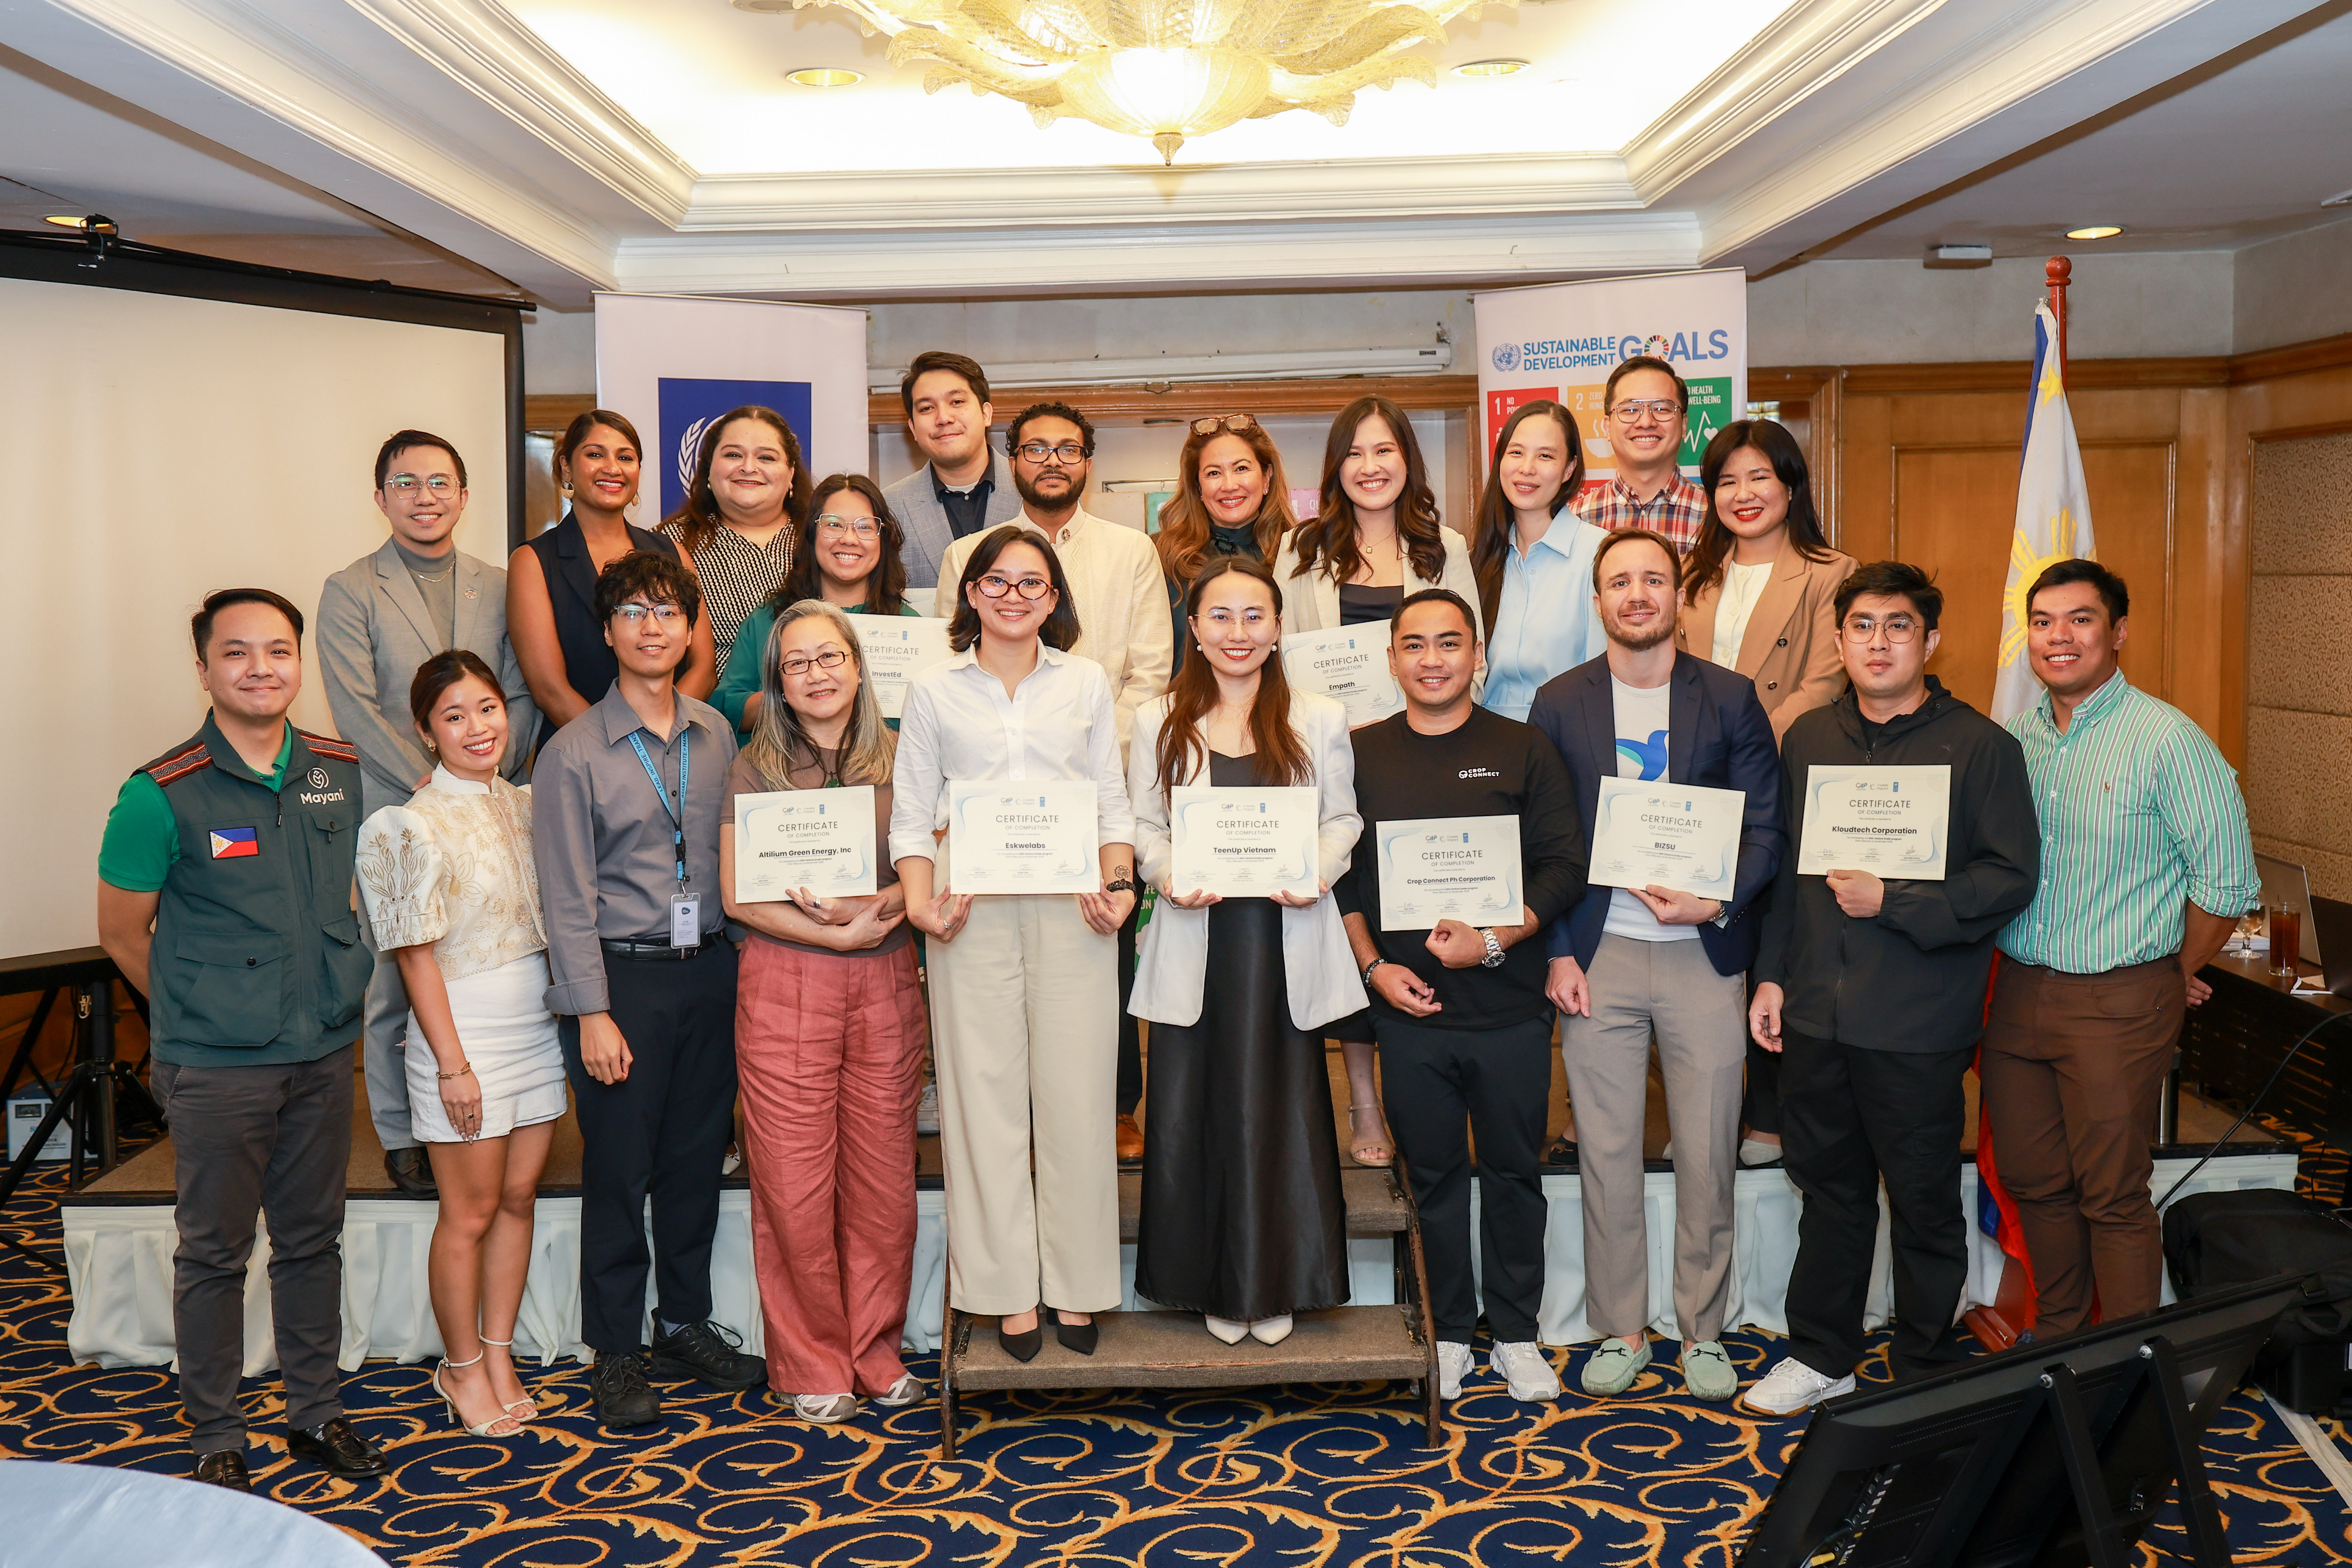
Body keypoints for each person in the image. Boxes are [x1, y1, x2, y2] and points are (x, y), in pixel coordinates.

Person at [94, 588, 388, 1492]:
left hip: (323, 1053)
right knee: (215, 1251)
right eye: (238, 653)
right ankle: (216, 1423)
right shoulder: (160, 794)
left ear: (299, 662)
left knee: (312, 1241)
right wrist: (201, 1009)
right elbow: (121, 932)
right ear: (204, 669)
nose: (261, 669)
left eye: (277, 651)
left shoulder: (339, 768)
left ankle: (316, 1408)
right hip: (218, 1067)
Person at [1741, 563, 2039, 1416]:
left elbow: (2008, 876)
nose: (1878, 642)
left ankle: (1921, 1362)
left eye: (1898, 625)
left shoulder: (1982, 746)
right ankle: (1822, 1352)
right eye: (1862, 625)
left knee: (1919, 1198)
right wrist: (1770, 975)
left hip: (1916, 1017)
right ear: (1838, 642)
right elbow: (1789, 879)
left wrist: (1896, 900)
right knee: (1829, 1189)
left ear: (1931, 640)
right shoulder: (1809, 740)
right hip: (1817, 1013)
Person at [1530, 528, 1781, 1405]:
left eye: (1654, 580)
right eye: (1619, 582)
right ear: (1597, 601)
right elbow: (1548, 842)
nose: (1638, 594)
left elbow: (1765, 828)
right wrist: (1557, 950)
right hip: (1597, 957)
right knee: (1606, 1152)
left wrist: (1716, 903)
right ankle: (1622, 1327)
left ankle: (1704, 1330)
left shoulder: (1734, 699)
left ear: (1680, 596)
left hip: (1704, 957)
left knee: (1710, 1150)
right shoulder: (1561, 704)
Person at [1981, 558, 2259, 1336]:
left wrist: (2168, 974)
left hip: (2118, 999)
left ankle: (2130, 1367)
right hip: (2016, 994)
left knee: (2110, 1192)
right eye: (2043, 622)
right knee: (2036, 1183)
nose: (2059, 637)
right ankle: (2061, 1346)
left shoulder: (2167, 737)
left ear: (2118, 631)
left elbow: (2227, 883)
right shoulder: (2016, 738)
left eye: (2080, 619)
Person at [891, 525, 1136, 1362]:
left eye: (1033, 584)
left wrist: (1120, 885)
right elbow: (911, 810)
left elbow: (1111, 797)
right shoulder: (933, 688)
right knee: (981, 1099)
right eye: (998, 581)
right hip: (971, 908)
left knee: (1076, 1097)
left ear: (1056, 598)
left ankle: (1076, 1284)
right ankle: (1002, 1290)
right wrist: (922, 908)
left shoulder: (1087, 682)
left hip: (1075, 906)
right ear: (970, 593)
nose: (1014, 596)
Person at [532, 551, 767, 1427]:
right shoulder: (571, 754)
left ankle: (683, 1322)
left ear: (690, 629)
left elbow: (731, 860)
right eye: (634, 613)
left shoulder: (715, 732)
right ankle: (616, 1349)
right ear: (608, 631)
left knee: (694, 1163)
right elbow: (565, 895)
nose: (654, 627)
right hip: (621, 982)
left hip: (709, 968)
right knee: (619, 1172)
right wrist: (590, 1010)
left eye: (669, 612)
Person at [1337, 589, 1587, 1404]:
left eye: (1450, 643)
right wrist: (1376, 968)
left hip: (1509, 1006)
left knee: (1515, 1171)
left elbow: (1562, 866)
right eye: (1415, 644)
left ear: (1477, 655)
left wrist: (1495, 939)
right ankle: (1446, 1329)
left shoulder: (1524, 747)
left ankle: (1515, 1332)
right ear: (1393, 659)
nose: (1433, 658)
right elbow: (1341, 878)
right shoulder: (1360, 752)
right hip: (1407, 1007)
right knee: (1433, 1176)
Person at [1128, 558, 1363, 1345]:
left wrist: (1317, 871)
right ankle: (1214, 1282)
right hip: (1201, 934)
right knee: (1195, 1109)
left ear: (1277, 625)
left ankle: (1283, 1278)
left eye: (1254, 615)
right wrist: (1170, 874)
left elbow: (1344, 820)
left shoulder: (1321, 716)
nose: (1238, 632)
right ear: (1193, 627)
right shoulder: (1157, 717)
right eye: (1220, 616)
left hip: (1284, 934)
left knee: (1284, 1107)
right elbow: (1143, 828)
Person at [936, 404, 1171, 1164]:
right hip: (989, 797)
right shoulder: (967, 552)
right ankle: (1014, 1113)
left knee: (1101, 934)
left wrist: (1083, 750)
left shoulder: (1131, 548)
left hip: (1095, 781)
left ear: (1088, 461)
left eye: (1068, 448)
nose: (1052, 460)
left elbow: (1150, 673)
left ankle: (1113, 1103)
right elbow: (953, 664)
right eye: (1035, 447)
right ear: (1013, 459)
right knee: (999, 955)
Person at [720, 600, 929, 1422]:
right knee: (795, 1183)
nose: (817, 673)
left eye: (830, 656)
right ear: (778, 679)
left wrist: (885, 901)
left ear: (858, 662)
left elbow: (931, 860)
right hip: (785, 981)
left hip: (886, 981)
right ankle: (811, 1359)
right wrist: (829, 935)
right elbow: (739, 893)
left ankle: (875, 1350)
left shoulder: (903, 756)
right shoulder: (753, 766)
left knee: (883, 1179)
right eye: (798, 662)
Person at [320, 429, 538, 1202]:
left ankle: (502, 1100)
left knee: (490, 955)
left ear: (465, 495)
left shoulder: (497, 579)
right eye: (406, 483)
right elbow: (353, 704)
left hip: (489, 798)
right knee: (395, 974)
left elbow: (516, 689)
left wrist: (488, 771)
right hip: (399, 802)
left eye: (440, 482)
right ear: (382, 497)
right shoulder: (352, 588)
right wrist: (435, 775)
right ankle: (401, 1130)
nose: (425, 496)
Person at [355, 650, 568, 1438]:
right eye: (454, 715)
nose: (477, 727)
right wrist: (452, 1064)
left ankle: (499, 1350)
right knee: (469, 1211)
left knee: (518, 1199)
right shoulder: (408, 821)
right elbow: (413, 954)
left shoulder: (525, 802)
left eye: (487, 708)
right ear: (426, 731)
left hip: (536, 1030)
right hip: (464, 1037)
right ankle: (461, 1365)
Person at [1273, 394, 1481, 1171]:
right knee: (1346, 909)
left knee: (1412, 903)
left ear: (1407, 461)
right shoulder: (1300, 549)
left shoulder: (1445, 546)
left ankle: (1427, 1078)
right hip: (1332, 757)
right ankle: (1363, 1098)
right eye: (1355, 453)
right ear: (1336, 467)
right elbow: (1280, 660)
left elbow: (1467, 646)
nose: (1370, 467)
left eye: (1385, 451)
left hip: (1419, 754)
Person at [1674, 418, 1857, 1168]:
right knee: (1703, 947)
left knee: (1774, 943)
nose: (1743, 495)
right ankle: (1698, 1113)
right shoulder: (1692, 573)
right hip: (1691, 788)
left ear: (1790, 484)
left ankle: (1769, 1114)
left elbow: (1820, 683)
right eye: (1725, 482)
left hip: (1773, 783)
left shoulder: (1828, 571)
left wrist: (1736, 751)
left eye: (1758, 478)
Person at [509, 410, 715, 745]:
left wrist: (664, 732)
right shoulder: (533, 561)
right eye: (595, 455)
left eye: (626, 457)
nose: (612, 468)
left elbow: (703, 667)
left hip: (676, 745)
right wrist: (622, 747)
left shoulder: (673, 553)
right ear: (566, 467)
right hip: (582, 752)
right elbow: (550, 689)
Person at [715, 473, 920, 734]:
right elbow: (726, 710)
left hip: (883, 771)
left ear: (884, 539)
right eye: (834, 525)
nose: (849, 539)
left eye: (865, 527)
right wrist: (793, 693)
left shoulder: (911, 626)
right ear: (812, 534)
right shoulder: (769, 619)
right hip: (784, 769)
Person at [1471, 397, 1608, 725]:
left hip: (1567, 738)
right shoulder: (1478, 557)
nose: (1527, 467)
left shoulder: (1598, 552)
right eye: (1516, 452)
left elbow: (1603, 676)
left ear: (1569, 469)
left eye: (1545, 456)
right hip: (1486, 739)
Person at [1151, 413, 1298, 676]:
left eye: (1242, 469)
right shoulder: (1159, 557)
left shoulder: (1300, 553)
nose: (1229, 485)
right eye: (1214, 473)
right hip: (1186, 711)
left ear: (1267, 477)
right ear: (1197, 486)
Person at [662, 405, 810, 663]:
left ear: (791, 474)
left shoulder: (824, 538)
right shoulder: (670, 544)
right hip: (710, 702)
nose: (748, 467)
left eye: (766, 457)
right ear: (709, 469)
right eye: (733, 455)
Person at [884, 350, 1022, 590]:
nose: (944, 418)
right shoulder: (888, 509)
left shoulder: (1033, 491)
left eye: (957, 402)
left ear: (986, 413)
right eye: (927, 408)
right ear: (913, 428)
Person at [1571, 357, 1708, 555]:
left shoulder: (1716, 517)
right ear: (1608, 427)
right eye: (1630, 410)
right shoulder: (1576, 521)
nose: (1645, 422)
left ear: (1684, 424)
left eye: (1661, 409)